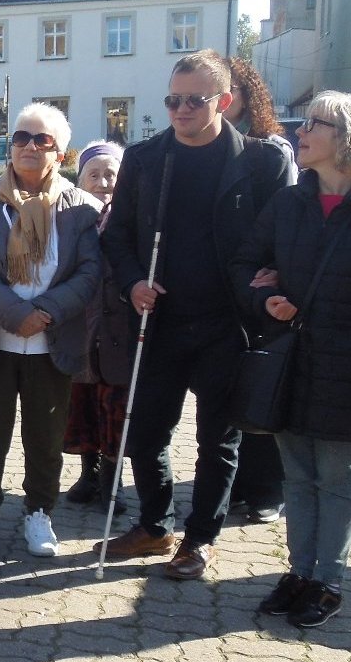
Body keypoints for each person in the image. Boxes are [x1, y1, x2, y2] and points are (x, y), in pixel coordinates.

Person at [97, 49, 294, 580]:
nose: (180, 110)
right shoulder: (144, 158)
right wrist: (135, 279)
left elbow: (283, 235)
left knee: (218, 440)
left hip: (227, 325)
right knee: (146, 433)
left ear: (225, 101)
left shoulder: (261, 162)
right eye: (172, 99)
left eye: (194, 100)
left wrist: (273, 273)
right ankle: (155, 526)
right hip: (159, 321)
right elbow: (115, 235)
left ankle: (200, 538)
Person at [230, 91, 351, 628]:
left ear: (350, 138)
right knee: (297, 476)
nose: (301, 131)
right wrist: (262, 296)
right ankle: (299, 572)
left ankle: (327, 581)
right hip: (292, 361)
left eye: (317, 124)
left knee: (337, 478)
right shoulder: (290, 201)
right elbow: (247, 260)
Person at [0, 103, 101, 561]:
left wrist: (43, 312)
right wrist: (17, 315)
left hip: (52, 343)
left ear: (60, 152)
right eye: (21, 138)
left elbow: (89, 273)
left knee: (45, 437)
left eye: (41, 139)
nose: (28, 146)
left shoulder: (81, 208)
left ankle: (38, 512)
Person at [224, 56, 298, 525]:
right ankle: (232, 485)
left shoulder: (268, 151)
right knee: (227, 392)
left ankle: (268, 488)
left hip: (256, 286)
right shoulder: (206, 148)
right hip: (218, 287)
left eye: (229, 91)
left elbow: (281, 220)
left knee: (263, 386)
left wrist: (269, 268)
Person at [62, 141, 130, 504]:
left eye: (110, 175)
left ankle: (112, 482)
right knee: (81, 405)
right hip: (79, 329)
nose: (103, 182)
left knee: (114, 409)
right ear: (81, 180)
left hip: (117, 333)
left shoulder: (129, 216)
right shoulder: (73, 217)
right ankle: (88, 475)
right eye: (94, 174)